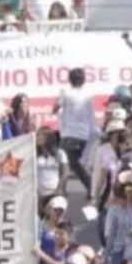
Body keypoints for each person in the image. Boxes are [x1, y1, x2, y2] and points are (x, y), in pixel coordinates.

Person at [52, 68, 95, 199]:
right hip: (83, 134)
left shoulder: (65, 92)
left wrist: (58, 105)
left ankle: (89, 187)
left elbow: (55, 108)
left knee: (66, 162)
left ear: (70, 79)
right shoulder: (88, 95)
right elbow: (90, 115)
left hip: (69, 133)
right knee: (73, 162)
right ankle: (85, 187)